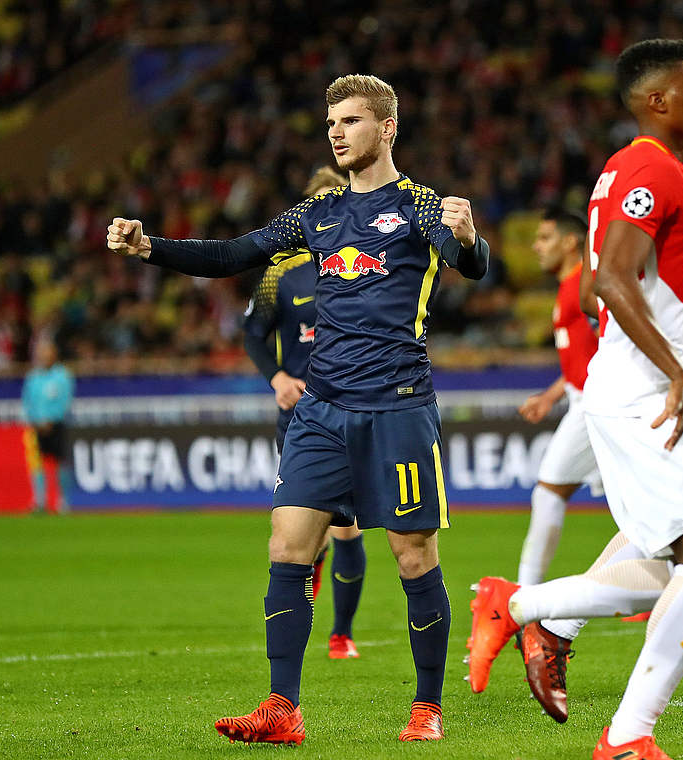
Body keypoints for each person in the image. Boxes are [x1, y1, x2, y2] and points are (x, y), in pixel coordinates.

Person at [107, 73, 489, 744]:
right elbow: (231, 255)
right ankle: (282, 707)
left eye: (351, 120)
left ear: (387, 127)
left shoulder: (421, 205)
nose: (337, 131)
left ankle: (426, 707)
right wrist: (150, 248)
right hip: (322, 409)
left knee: (413, 558)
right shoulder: (314, 216)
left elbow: (469, 262)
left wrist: (473, 239)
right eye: (332, 121)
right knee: (287, 547)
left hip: (396, 409)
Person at [468, 39, 683, 759]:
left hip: (644, 380)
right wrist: (676, 372)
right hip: (643, 390)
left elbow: (611, 286)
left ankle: (520, 608)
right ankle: (625, 733)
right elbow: (612, 282)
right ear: (659, 101)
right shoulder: (650, 167)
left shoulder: (642, 171)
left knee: (675, 563)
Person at [242, 166, 367, 660]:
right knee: (303, 533)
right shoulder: (280, 273)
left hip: (353, 408)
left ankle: (341, 634)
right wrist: (276, 377)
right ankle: (306, 616)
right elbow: (253, 333)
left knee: (346, 527)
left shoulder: (363, 265)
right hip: (298, 414)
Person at [513, 208, 605, 588]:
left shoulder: (588, 286)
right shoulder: (570, 287)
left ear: (570, 242)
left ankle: (522, 595)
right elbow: (582, 355)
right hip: (586, 397)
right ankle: (654, 584)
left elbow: (613, 339)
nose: (536, 246)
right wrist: (552, 395)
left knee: (549, 490)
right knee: (630, 500)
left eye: (545, 237)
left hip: (598, 403)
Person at [22, 337, 75, 514]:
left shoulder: (62, 376)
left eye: (47, 352)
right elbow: (27, 402)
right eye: (40, 353)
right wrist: (36, 420)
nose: (43, 356)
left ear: (54, 354)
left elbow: (65, 401)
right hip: (36, 426)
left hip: (57, 425)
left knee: (61, 462)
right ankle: (40, 501)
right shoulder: (33, 377)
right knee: (37, 463)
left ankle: (63, 501)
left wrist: (51, 420)